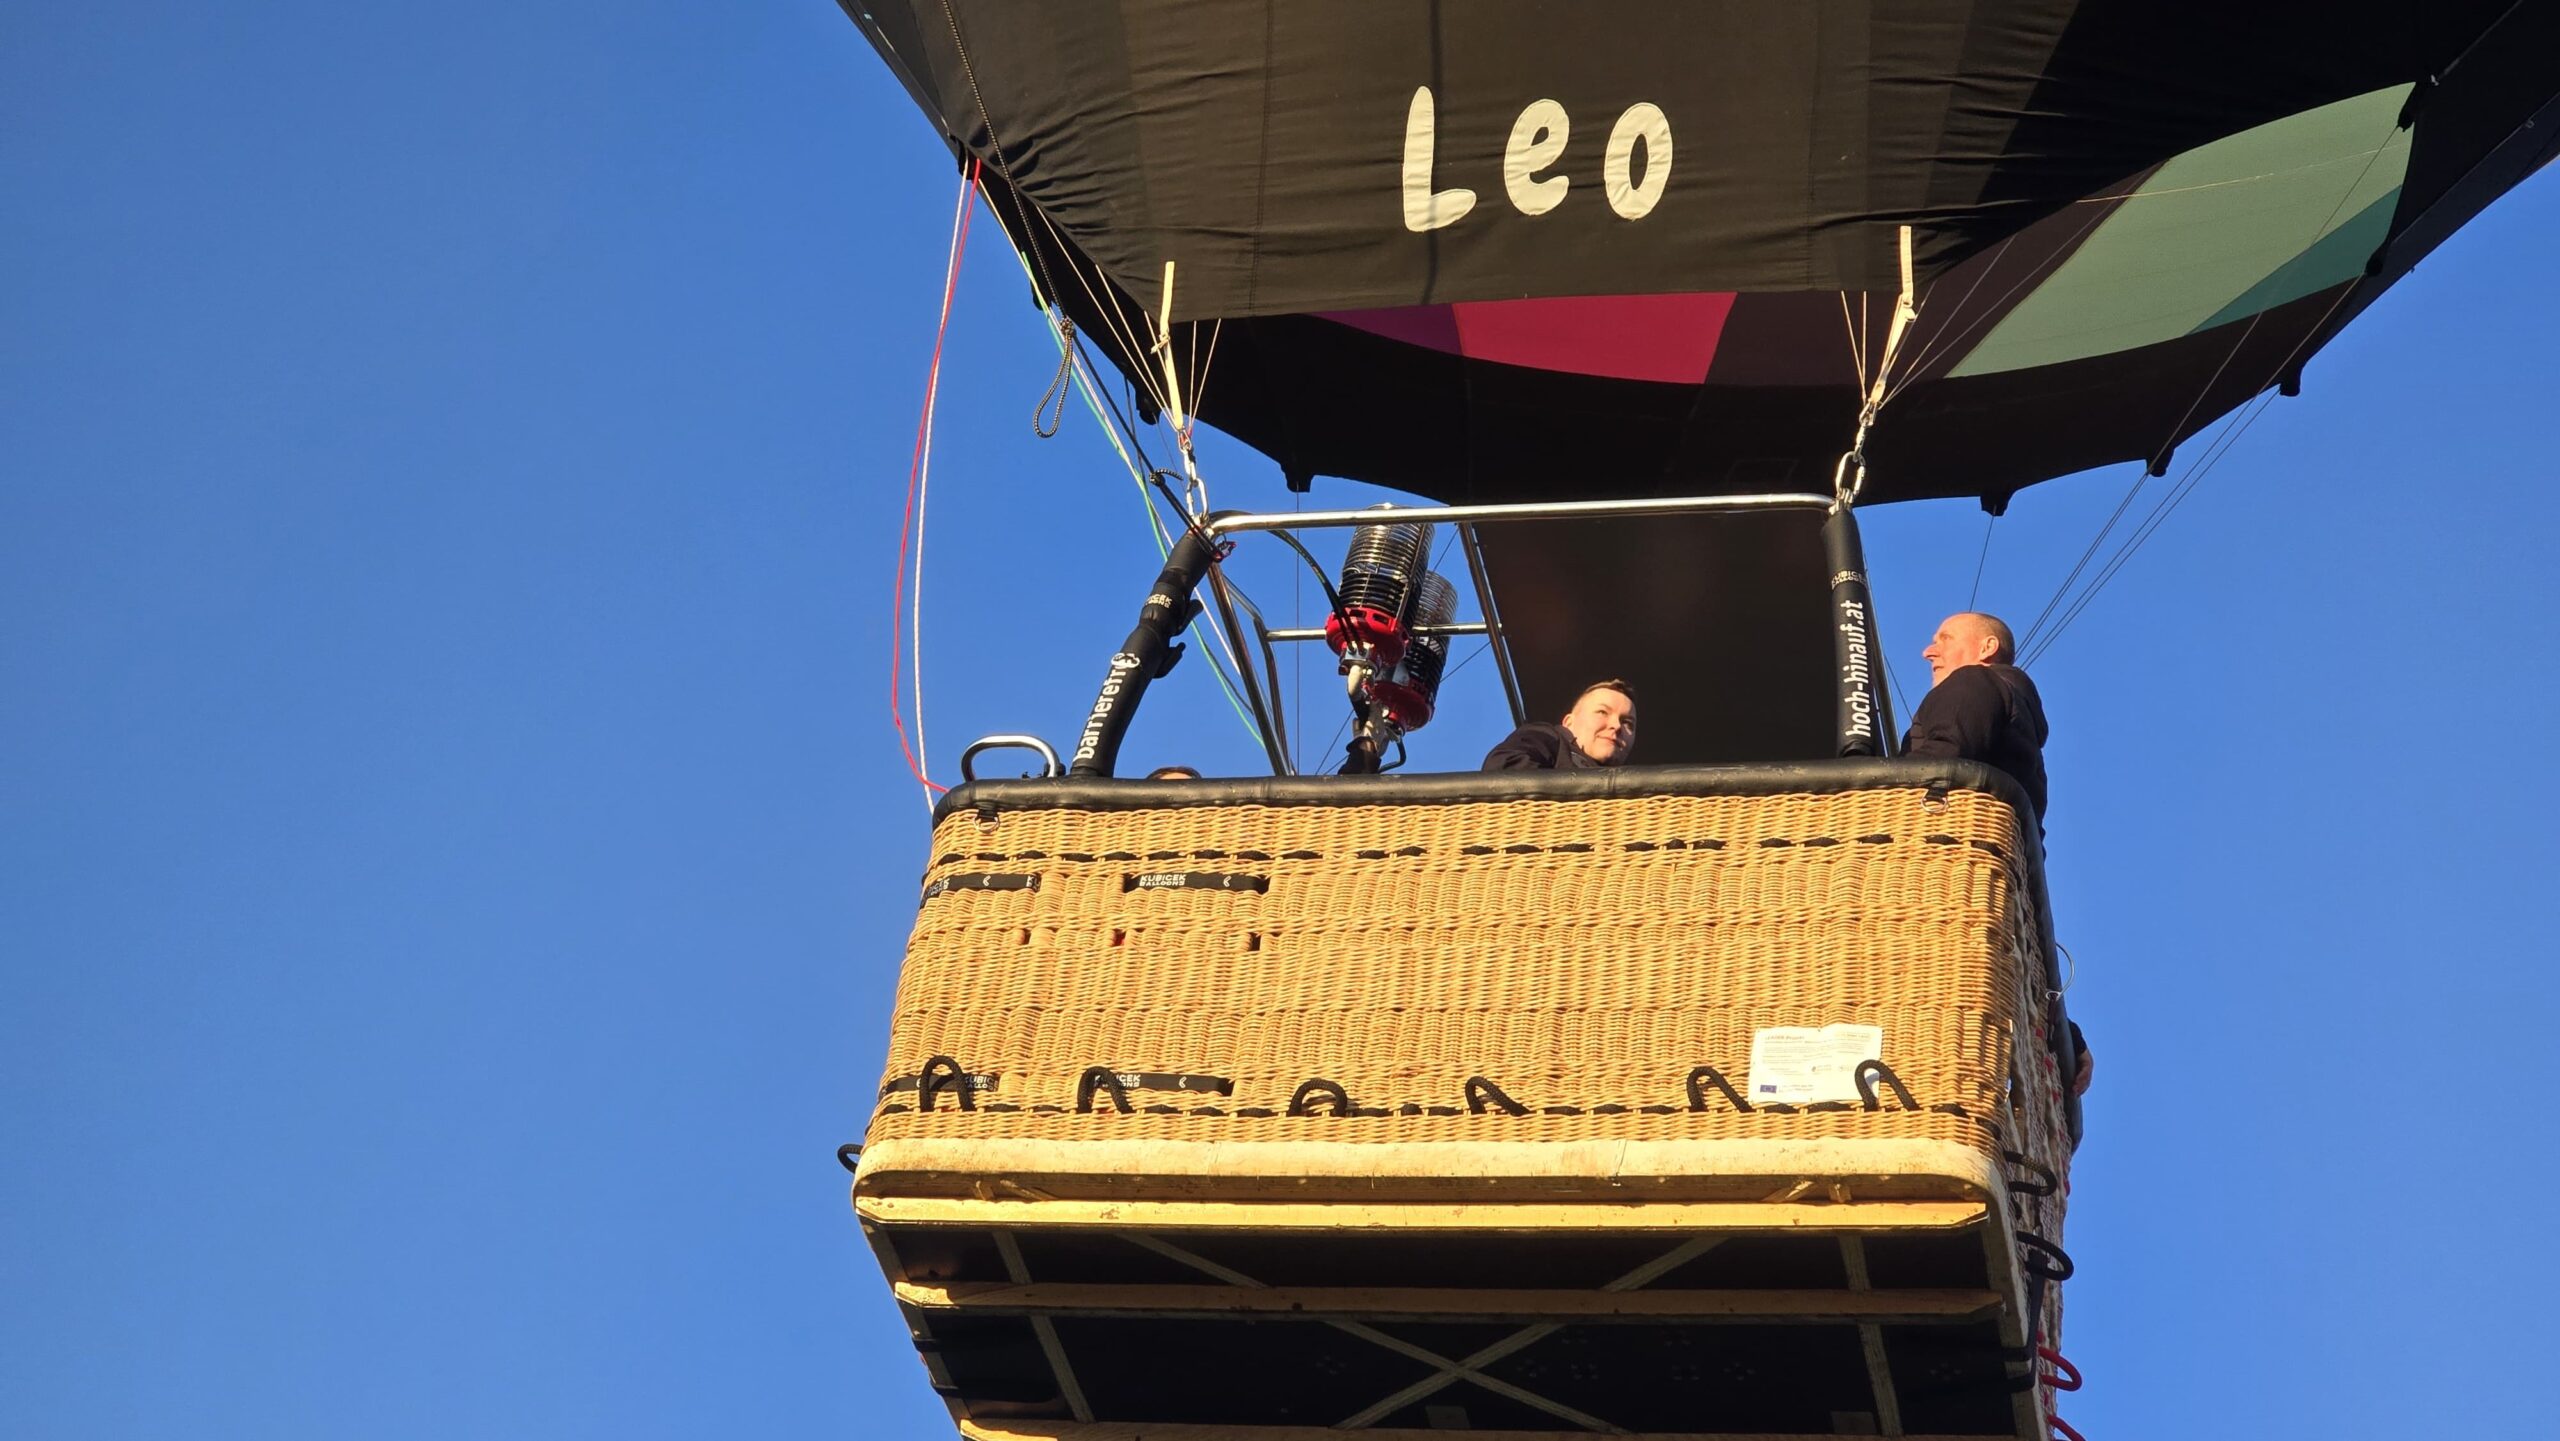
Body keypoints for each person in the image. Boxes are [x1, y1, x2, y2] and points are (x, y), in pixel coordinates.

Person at [1901, 613, 2047, 823]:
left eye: (1946, 639)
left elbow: (1946, 753)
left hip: (1938, 824)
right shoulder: (2021, 721)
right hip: (1991, 833)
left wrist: (1870, 786)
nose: (1928, 652)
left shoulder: (1973, 679)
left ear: (1987, 648)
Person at [1482, 680, 1637, 770]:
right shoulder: (1549, 738)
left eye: (1627, 723)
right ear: (1569, 723)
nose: (1616, 725)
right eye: (1602, 712)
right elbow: (1504, 767)